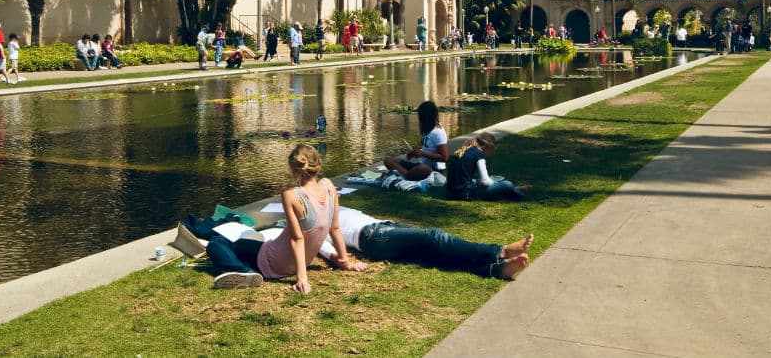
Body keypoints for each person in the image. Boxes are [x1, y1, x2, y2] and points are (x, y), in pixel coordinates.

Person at [205, 144, 364, 291]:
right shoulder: (329, 187)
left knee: (216, 243)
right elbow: (335, 228)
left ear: (294, 169)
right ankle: (245, 267)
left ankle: (244, 271)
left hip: (272, 260)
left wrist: (302, 279)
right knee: (244, 245)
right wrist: (345, 261)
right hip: (296, 262)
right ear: (318, 164)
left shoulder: (290, 194)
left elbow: (297, 239)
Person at [318, 206, 532, 280]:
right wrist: (344, 261)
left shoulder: (328, 199)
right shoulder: (314, 222)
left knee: (433, 253)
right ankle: (499, 251)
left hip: (384, 227)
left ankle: (495, 270)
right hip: (372, 238)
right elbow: (324, 247)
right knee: (433, 237)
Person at [446, 133, 530, 201]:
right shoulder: (479, 155)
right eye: (493, 150)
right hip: (465, 195)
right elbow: (485, 182)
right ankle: (519, 193)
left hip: (451, 192)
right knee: (507, 184)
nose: (492, 154)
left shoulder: (465, 151)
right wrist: (496, 183)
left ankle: (515, 189)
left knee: (496, 184)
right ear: (487, 147)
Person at [383, 100, 449, 181]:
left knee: (422, 169)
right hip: (419, 164)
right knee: (388, 160)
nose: (419, 119)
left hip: (432, 168)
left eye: (421, 117)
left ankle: (405, 175)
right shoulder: (426, 128)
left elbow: (444, 158)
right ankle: (407, 174)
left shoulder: (438, 133)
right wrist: (415, 152)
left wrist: (423, 153)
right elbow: (427, 147)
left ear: (427, 117)